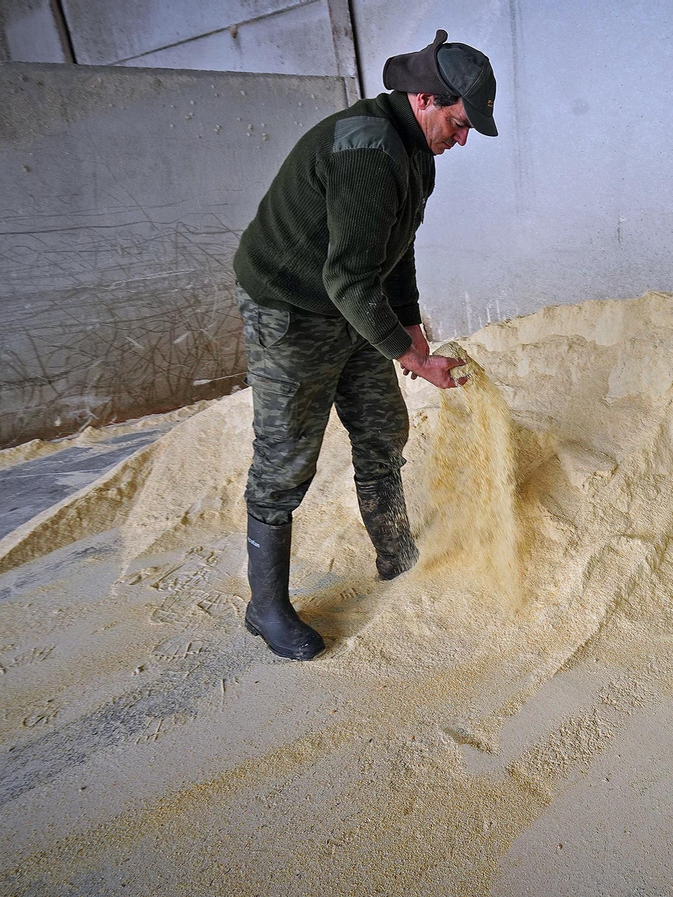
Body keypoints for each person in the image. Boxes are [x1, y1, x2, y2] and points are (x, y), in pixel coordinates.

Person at [230, 30, 498, 661]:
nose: (462, 140)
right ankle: (265, 608)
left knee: (382, 430)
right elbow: (349, 277)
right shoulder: (368, 150)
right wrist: (411, 359)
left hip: (348, 301)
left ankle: (396, 553)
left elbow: (394, 252)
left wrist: (412, 334)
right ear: (426, 99)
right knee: (286, 459)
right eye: (460, 124)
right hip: (290, 306)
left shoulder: (417, 153)